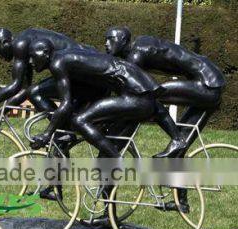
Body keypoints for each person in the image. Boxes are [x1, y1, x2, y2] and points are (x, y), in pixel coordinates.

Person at [28, 39, 186, 159]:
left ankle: (115, 158)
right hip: (140, 92)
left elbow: (66, 103)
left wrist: (46, 134)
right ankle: (177, 139)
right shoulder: (68, 57)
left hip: (135, 96)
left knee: (80, 121)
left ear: (45, 53)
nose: (30, 61)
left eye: (32, 56)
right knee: (83, 119)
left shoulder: (58, 63)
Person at [105, 26, 225, 157]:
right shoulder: (139, 45)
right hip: (211, 79)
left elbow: (128, 91)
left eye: (110, 39)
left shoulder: (137, 54)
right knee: (176, 153)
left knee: (146, 99)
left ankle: (176, 139)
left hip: (208, 83)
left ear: (123, 40)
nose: (106, 44)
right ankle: (174, 160)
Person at [0, 27, 98, 113]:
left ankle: (60, 130)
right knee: (33, 92)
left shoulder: (20, 45)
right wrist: (2, 111)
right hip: (81, 65)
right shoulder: (26, 44)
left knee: (36, 93)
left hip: (80, 69)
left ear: (5, 42)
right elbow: (24, 90)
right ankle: (61, 131)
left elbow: (15, 85)